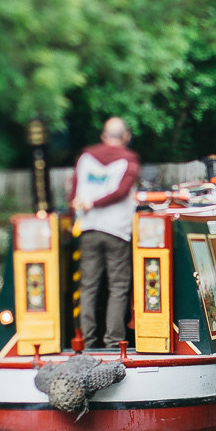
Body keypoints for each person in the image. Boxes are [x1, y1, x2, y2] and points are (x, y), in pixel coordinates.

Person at [70, 116, 141, 348]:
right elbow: (122, 192)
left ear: (103, 137)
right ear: (126, 138)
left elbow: (74, 192)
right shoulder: (129, 161)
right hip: (117, 231)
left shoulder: (85, 158)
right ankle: (113, 342)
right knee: (118, 287)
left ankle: (87, 341)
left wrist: (85, 205)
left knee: (88, 287)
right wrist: (97, 202)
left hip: (88, 229)